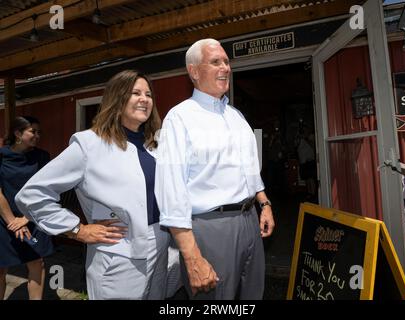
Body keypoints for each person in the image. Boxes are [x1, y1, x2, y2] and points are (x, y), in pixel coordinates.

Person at [15, 70, 170, 300]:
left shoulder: (157, 145)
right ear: (117, 99)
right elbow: (32, 195)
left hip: (161, 250)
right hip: (118, 255)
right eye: (135, 93)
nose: (144, 99)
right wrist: (77, 229)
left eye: (148, 94)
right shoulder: (89, 144)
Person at [155, 38, 275, 300]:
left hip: (249, 222)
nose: (225, 68)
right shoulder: (179, 118)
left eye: (226, 61)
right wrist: (192, 256)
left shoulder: (236, 116)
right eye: (215, 62)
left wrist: (264, 204)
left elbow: (250, 169)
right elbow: (170, 191)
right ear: (194, 71)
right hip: (210, 229)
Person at [0, 116, 53, 300]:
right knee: (0, 268)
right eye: (33, 131)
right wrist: (13, 221)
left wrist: (27, 218)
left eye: (39, 132)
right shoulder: (1, 156)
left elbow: (47, 191)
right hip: (4, 219)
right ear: (17, 133)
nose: (37, 135)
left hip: (32, 218)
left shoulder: (42, 157)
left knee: (37, 263)